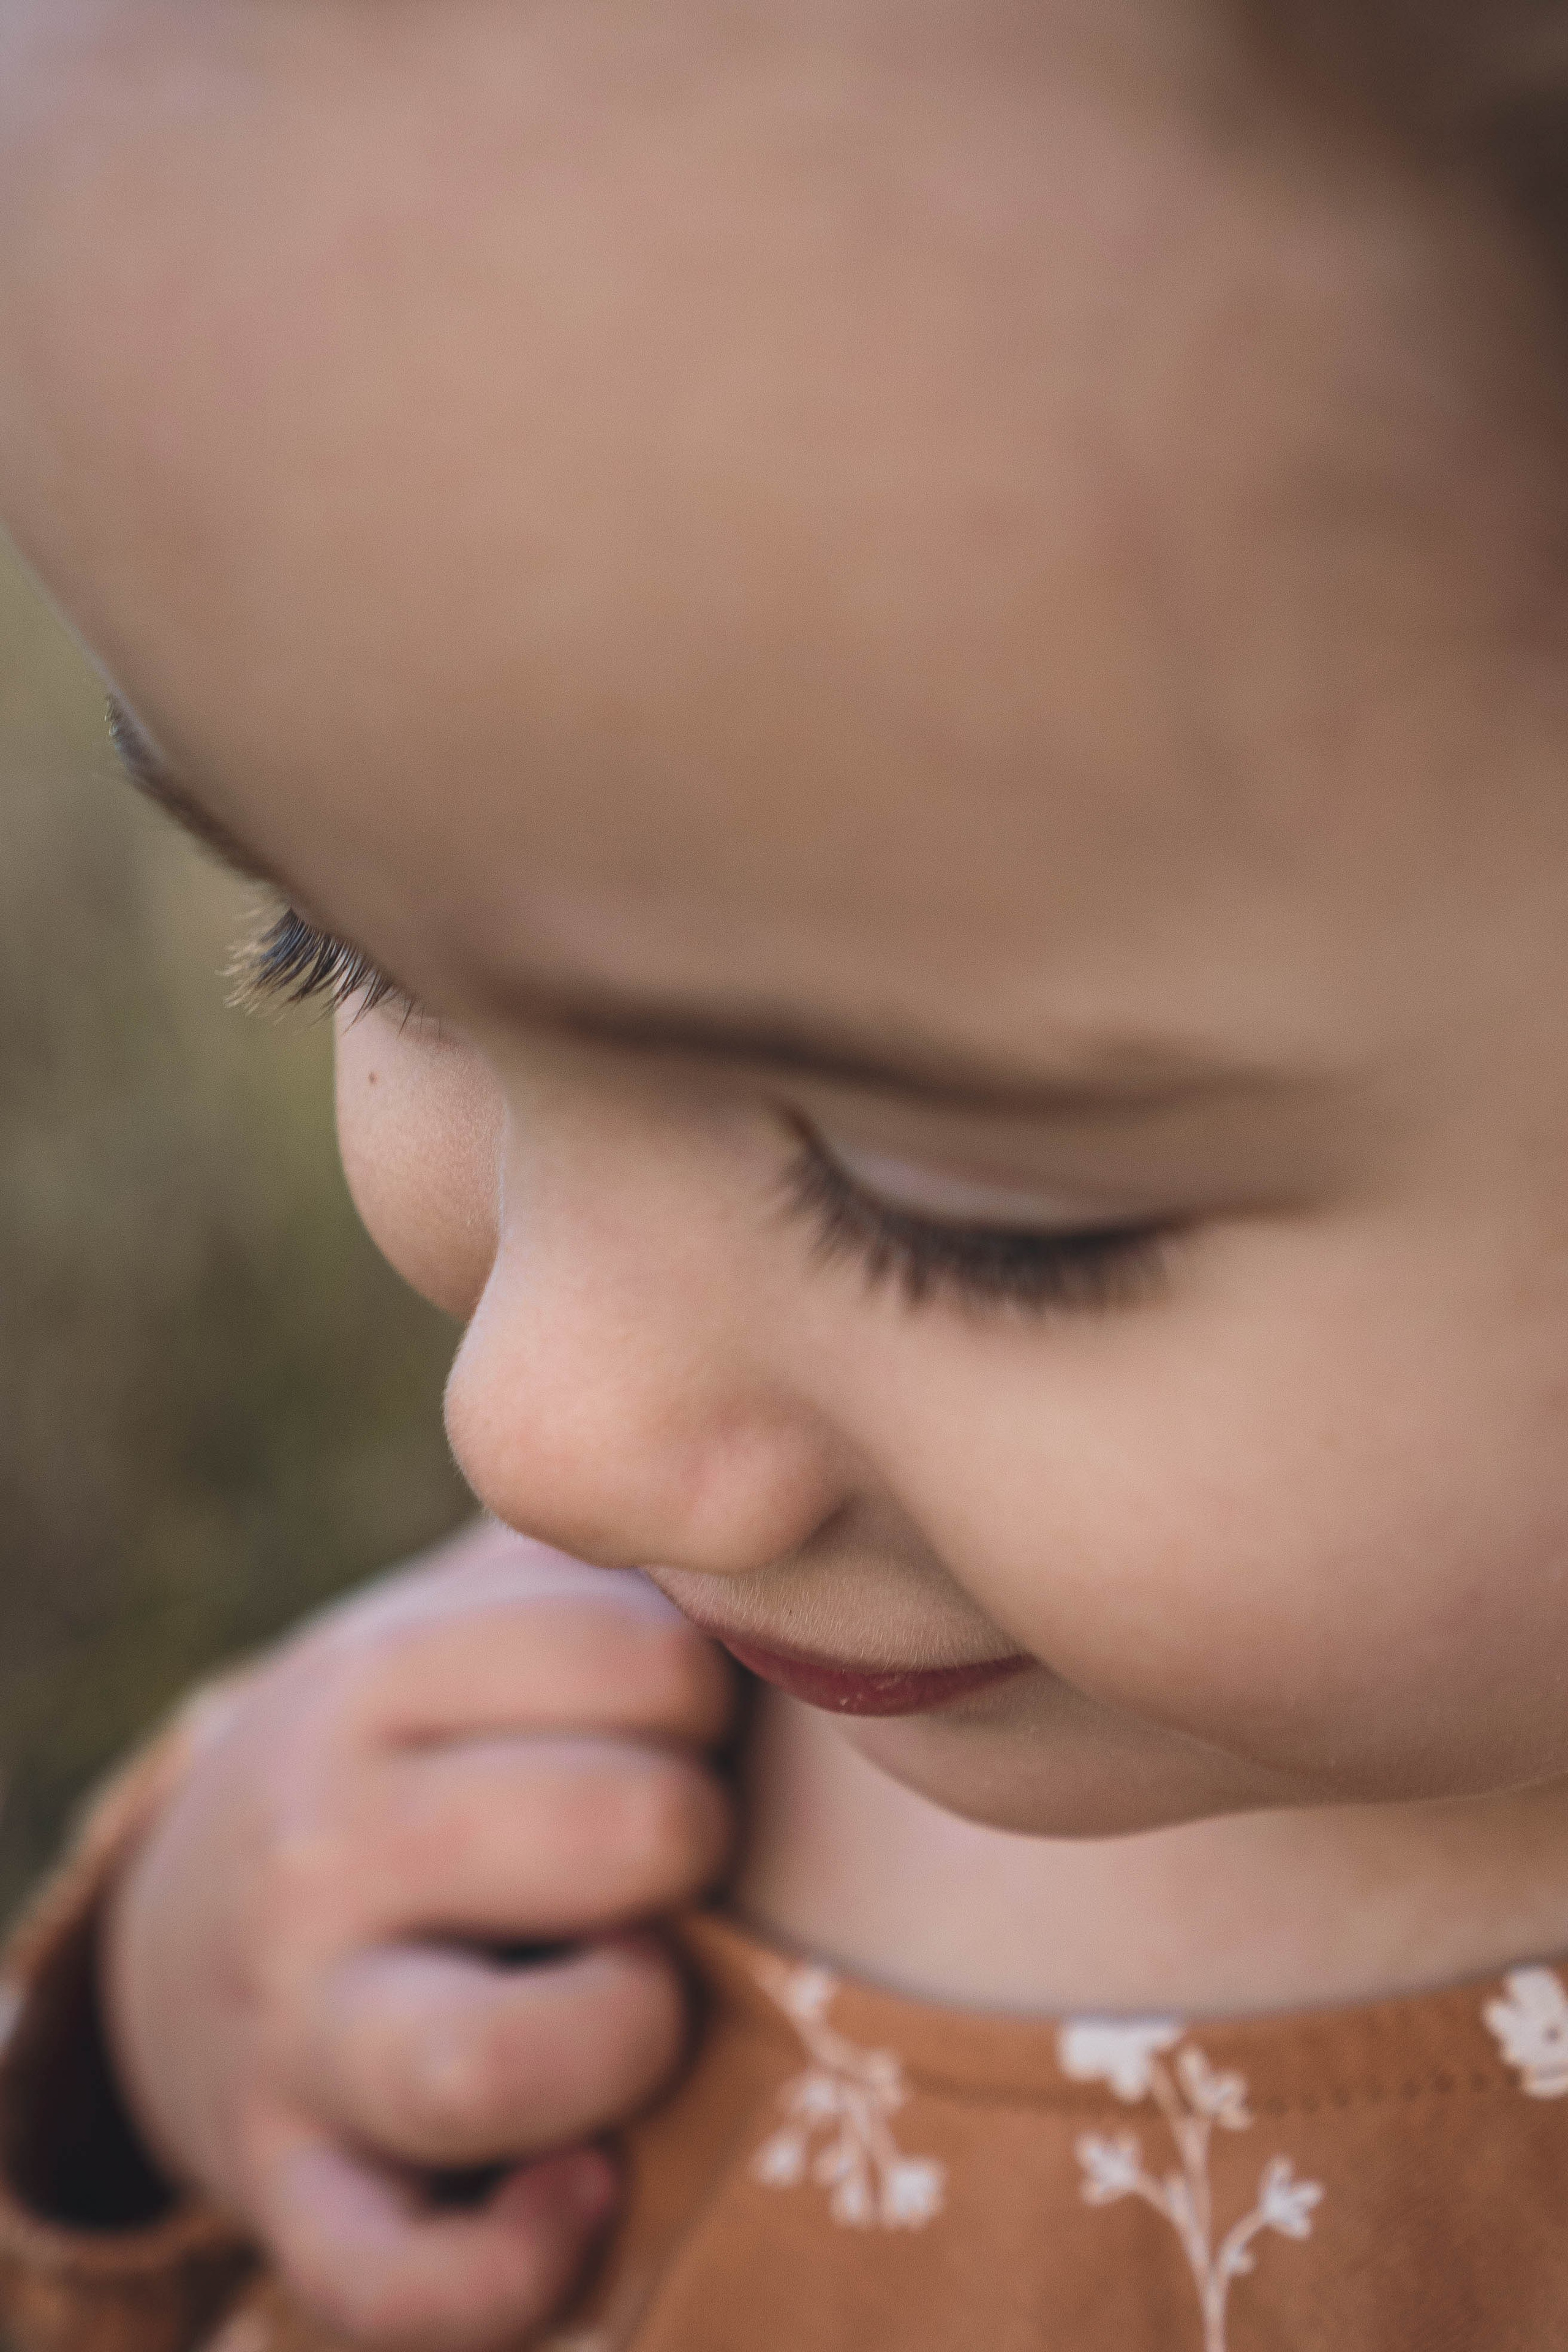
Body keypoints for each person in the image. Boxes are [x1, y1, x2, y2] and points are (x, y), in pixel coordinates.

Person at [3, 0, 1568, 2343]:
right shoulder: (496, 1766)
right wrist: (161, 2051)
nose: (537, 1437)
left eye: (964, 1210)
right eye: (345, 947)